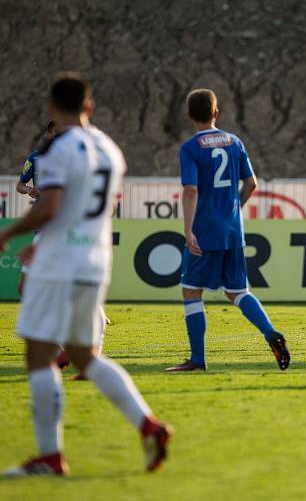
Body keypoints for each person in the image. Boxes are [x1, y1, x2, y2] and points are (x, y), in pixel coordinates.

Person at [1, 73, 171, 476]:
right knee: (83, 355)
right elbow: (93, 209)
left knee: (39, 354)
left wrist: (11, 232)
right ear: (90, 106)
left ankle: (49, 457)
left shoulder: (57, 148)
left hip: (60, 262)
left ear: (51, 109)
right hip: (93, 260)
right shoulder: (110, 149)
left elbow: (50, 204)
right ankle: (149, 424)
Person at [167, 89, 290, 372]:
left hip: (205, 229)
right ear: (216, 113)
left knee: (191, 291)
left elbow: (190, 190)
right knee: (237, 291)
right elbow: (252, 183)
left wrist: (188, 230)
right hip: (233, 228)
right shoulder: (234, 142)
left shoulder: (190, 148)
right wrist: (236, 208)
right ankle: (270, 332)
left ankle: (197, 359)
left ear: (189, 115)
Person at [17, 120, 111, 380]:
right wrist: (30, 189)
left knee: (40, 288)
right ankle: (76, 345)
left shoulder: (73, 157)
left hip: (58, 229)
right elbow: (20, 185)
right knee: (39, 288)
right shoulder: (37, 158)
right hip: (52, 229)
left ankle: (67, 347)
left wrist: (10, 233)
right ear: (48, 133)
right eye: (54, 133)